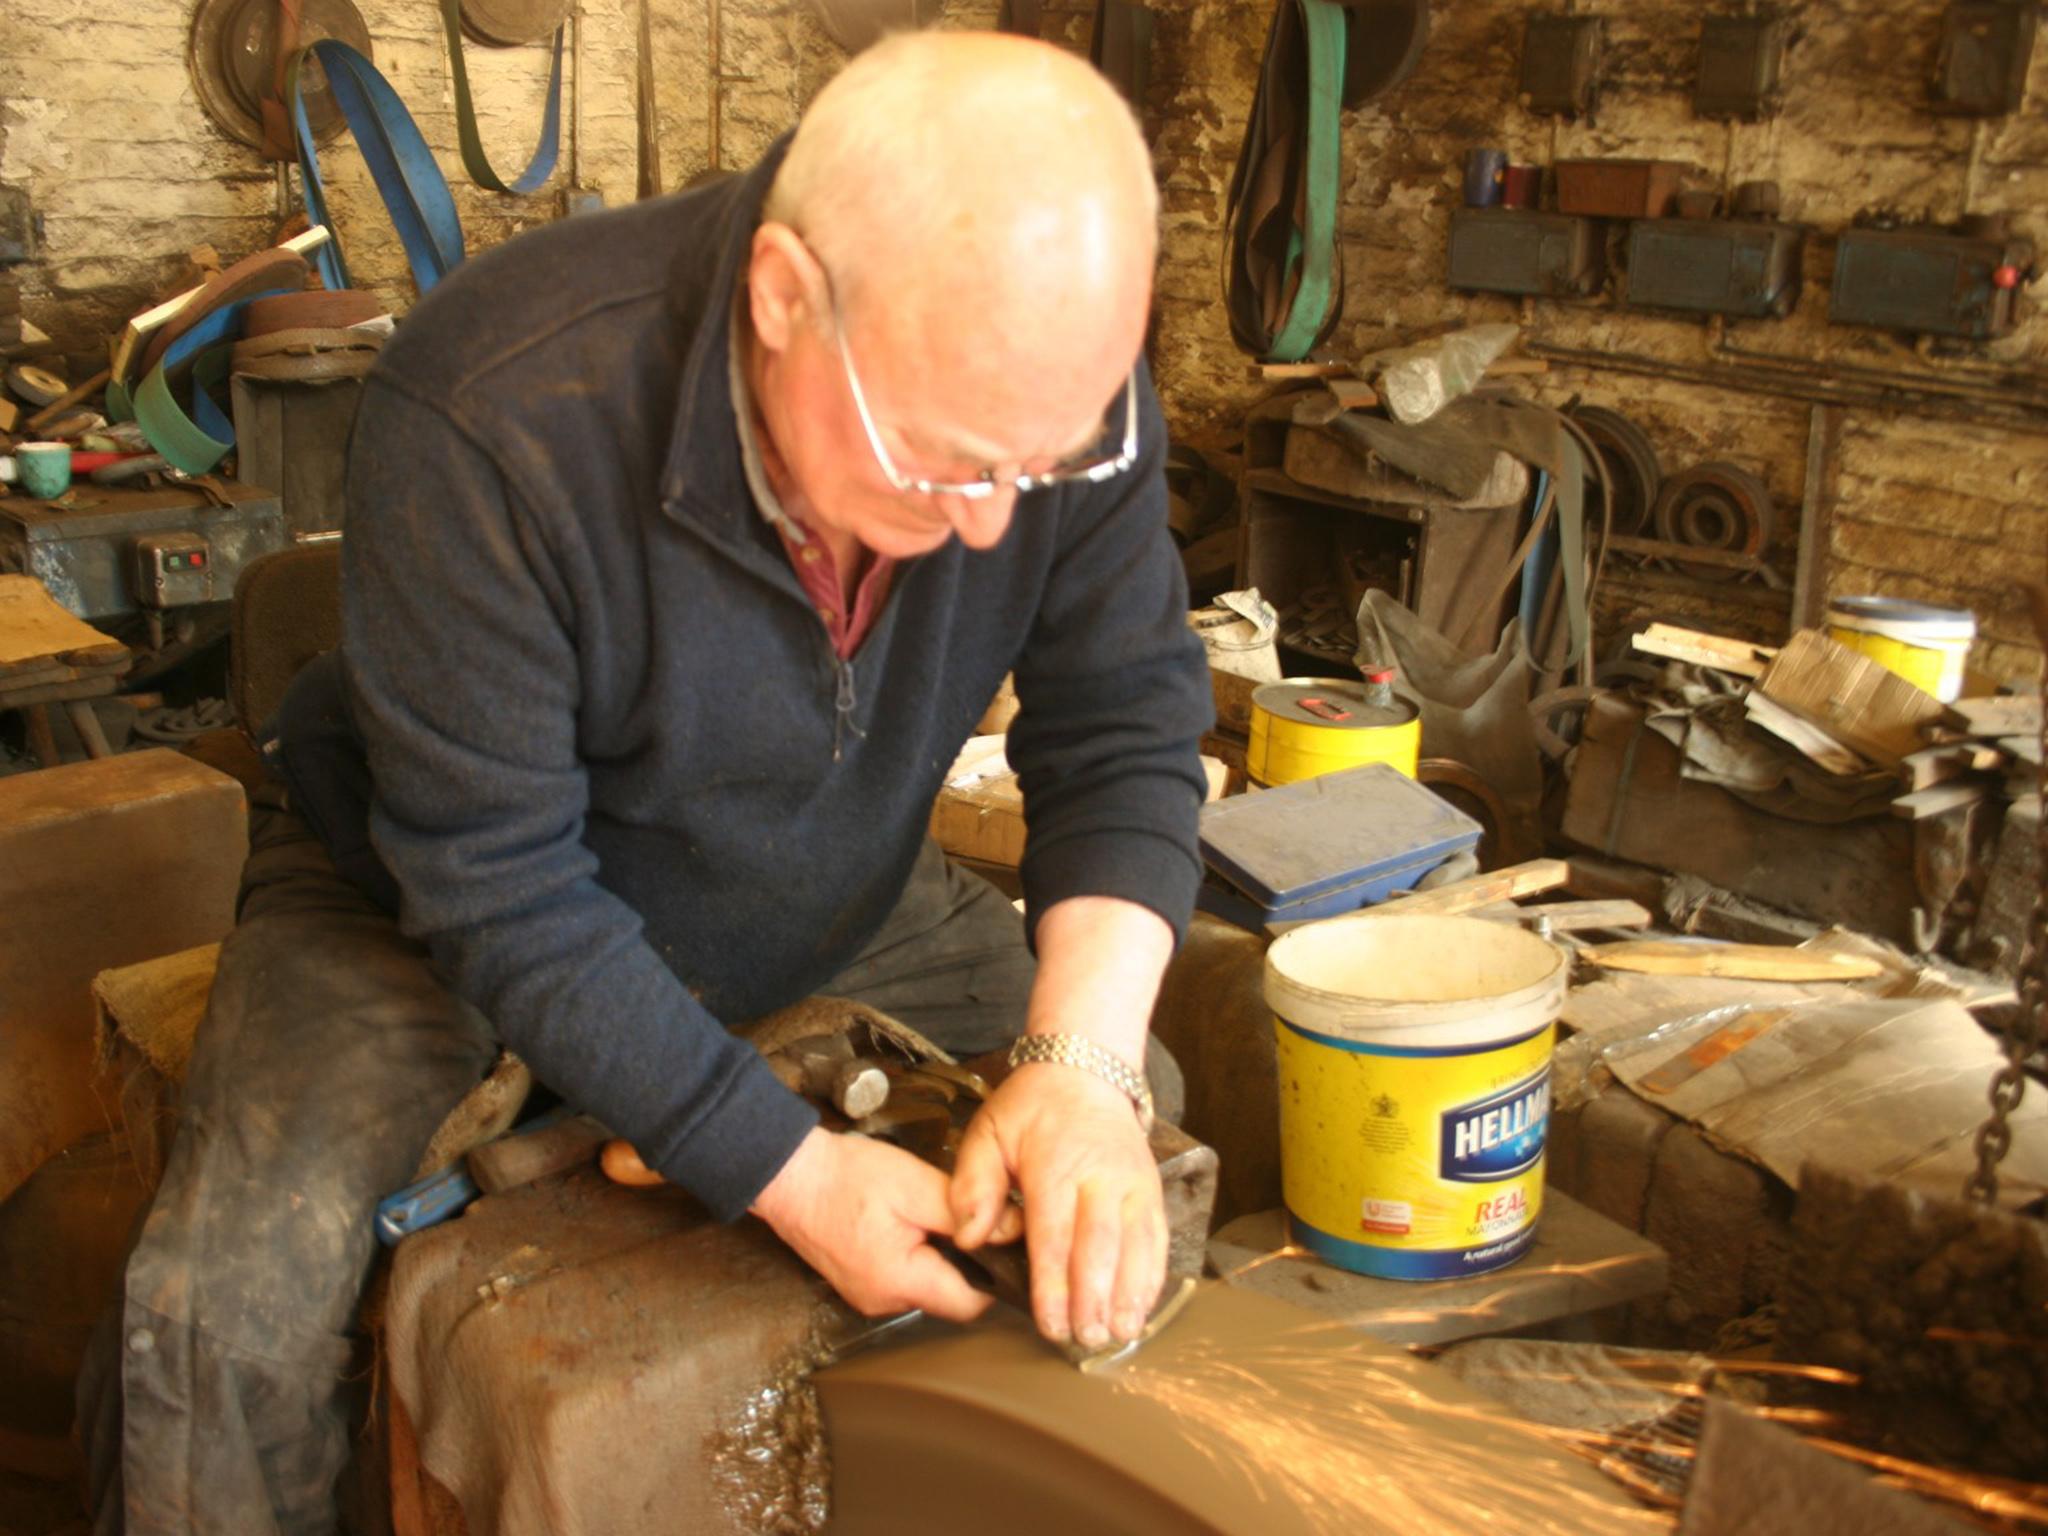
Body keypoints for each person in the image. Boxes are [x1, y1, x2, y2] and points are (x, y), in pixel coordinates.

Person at [79, 29, 1211, 1534]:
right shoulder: (492, 406)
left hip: (823, 875)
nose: (999, 529)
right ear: (782, 300)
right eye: (941, 462)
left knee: (1126, 1147)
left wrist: (1084, 1071)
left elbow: (1126, 723)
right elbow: (501, 889)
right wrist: (787, 1172)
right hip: (427, 903)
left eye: (1044, 463)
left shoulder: (1041, 377)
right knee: (222, 1317)